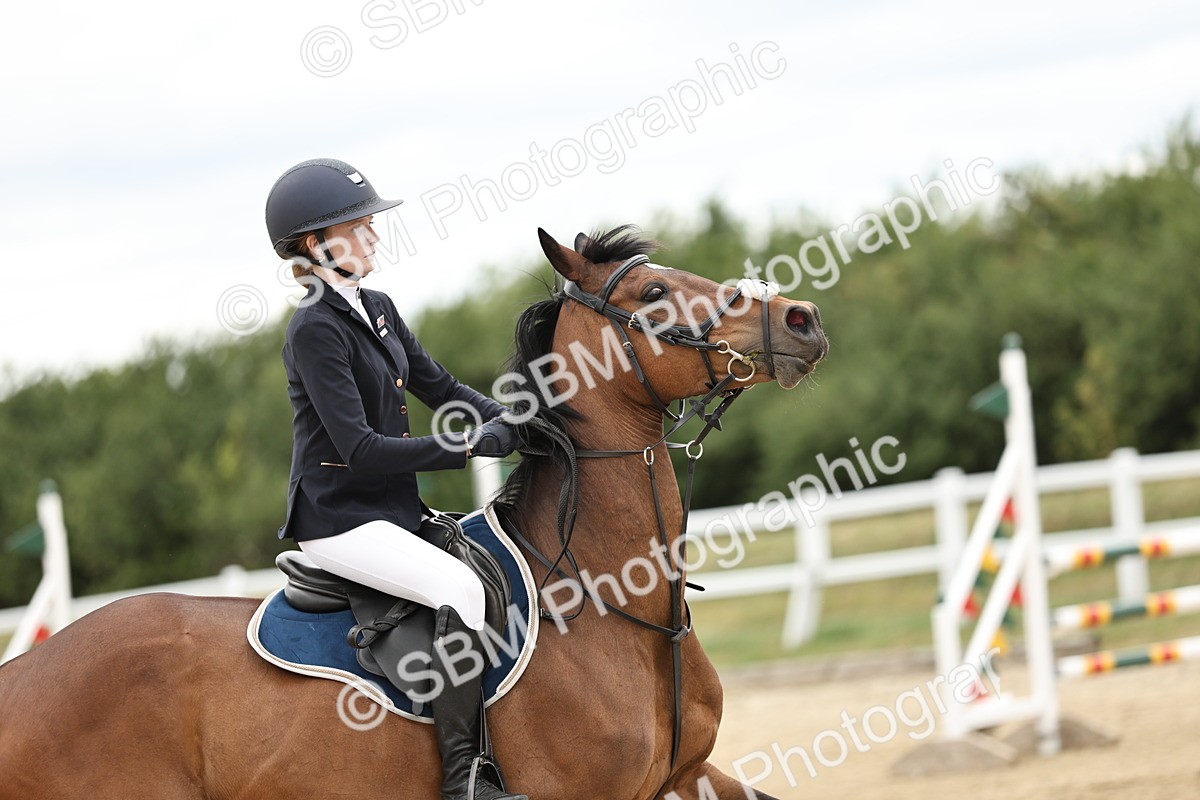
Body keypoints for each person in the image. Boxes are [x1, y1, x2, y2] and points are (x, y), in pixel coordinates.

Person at [265, 158, 526, 800]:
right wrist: (470, 447)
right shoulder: (314, 329)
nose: (375, 234)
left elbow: (439, 385)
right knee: (459, 589)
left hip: (392, 514)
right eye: (359, 225)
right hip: (339, 520)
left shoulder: (376, 308)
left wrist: (516, 418)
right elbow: (359, 448)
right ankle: (467, 781)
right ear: (316, 245)